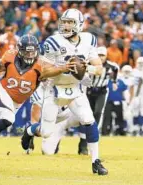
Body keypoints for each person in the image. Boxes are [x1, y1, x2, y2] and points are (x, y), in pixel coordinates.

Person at [0, 34, 76, 169]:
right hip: (1, 91)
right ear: (19, 50)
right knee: (8, 119)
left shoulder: (41, 64)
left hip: (16, 102)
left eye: (32, 51)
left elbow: (59, 69)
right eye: (26, 51)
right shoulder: (9, 58)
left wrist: (67, 67)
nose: (30, 55)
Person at [21, 9, 108, 175]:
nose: (66, 25)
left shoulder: (89, 40)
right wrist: (62, 68)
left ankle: (95, 161)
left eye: (70, 22)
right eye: (64, 21)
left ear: (80, 25)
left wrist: (84, 68)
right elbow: (42, 72)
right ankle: (30, 131)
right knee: (46, 132)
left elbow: (99, 68)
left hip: (75, 89)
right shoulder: (52, 42)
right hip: (54, 90)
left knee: (88, 120)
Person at [78, 46, 119, 155]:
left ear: (106, 56)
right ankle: (82, 144)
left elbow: (115, 70)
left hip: (102, 92)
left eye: (103, 55)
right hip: (89, 91)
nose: (100, 57)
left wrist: (114, 81)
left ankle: (91, 143)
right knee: (85, 116)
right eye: (99, 55)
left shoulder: (111, 66)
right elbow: (81, 72)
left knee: (97, 113)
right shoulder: (90, 64)